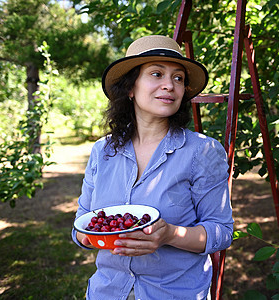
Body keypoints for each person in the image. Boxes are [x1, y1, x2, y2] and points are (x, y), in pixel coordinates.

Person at [72, 35, 234, 300]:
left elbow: (222, 232)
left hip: (174, 293)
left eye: (178, 78)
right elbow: (81, 225)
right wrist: (95, 236)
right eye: (156, 74)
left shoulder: (202, 152)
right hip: (107, 291)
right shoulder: (102, 151)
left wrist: (169, 234)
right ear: (130, 88)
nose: (169, 85)